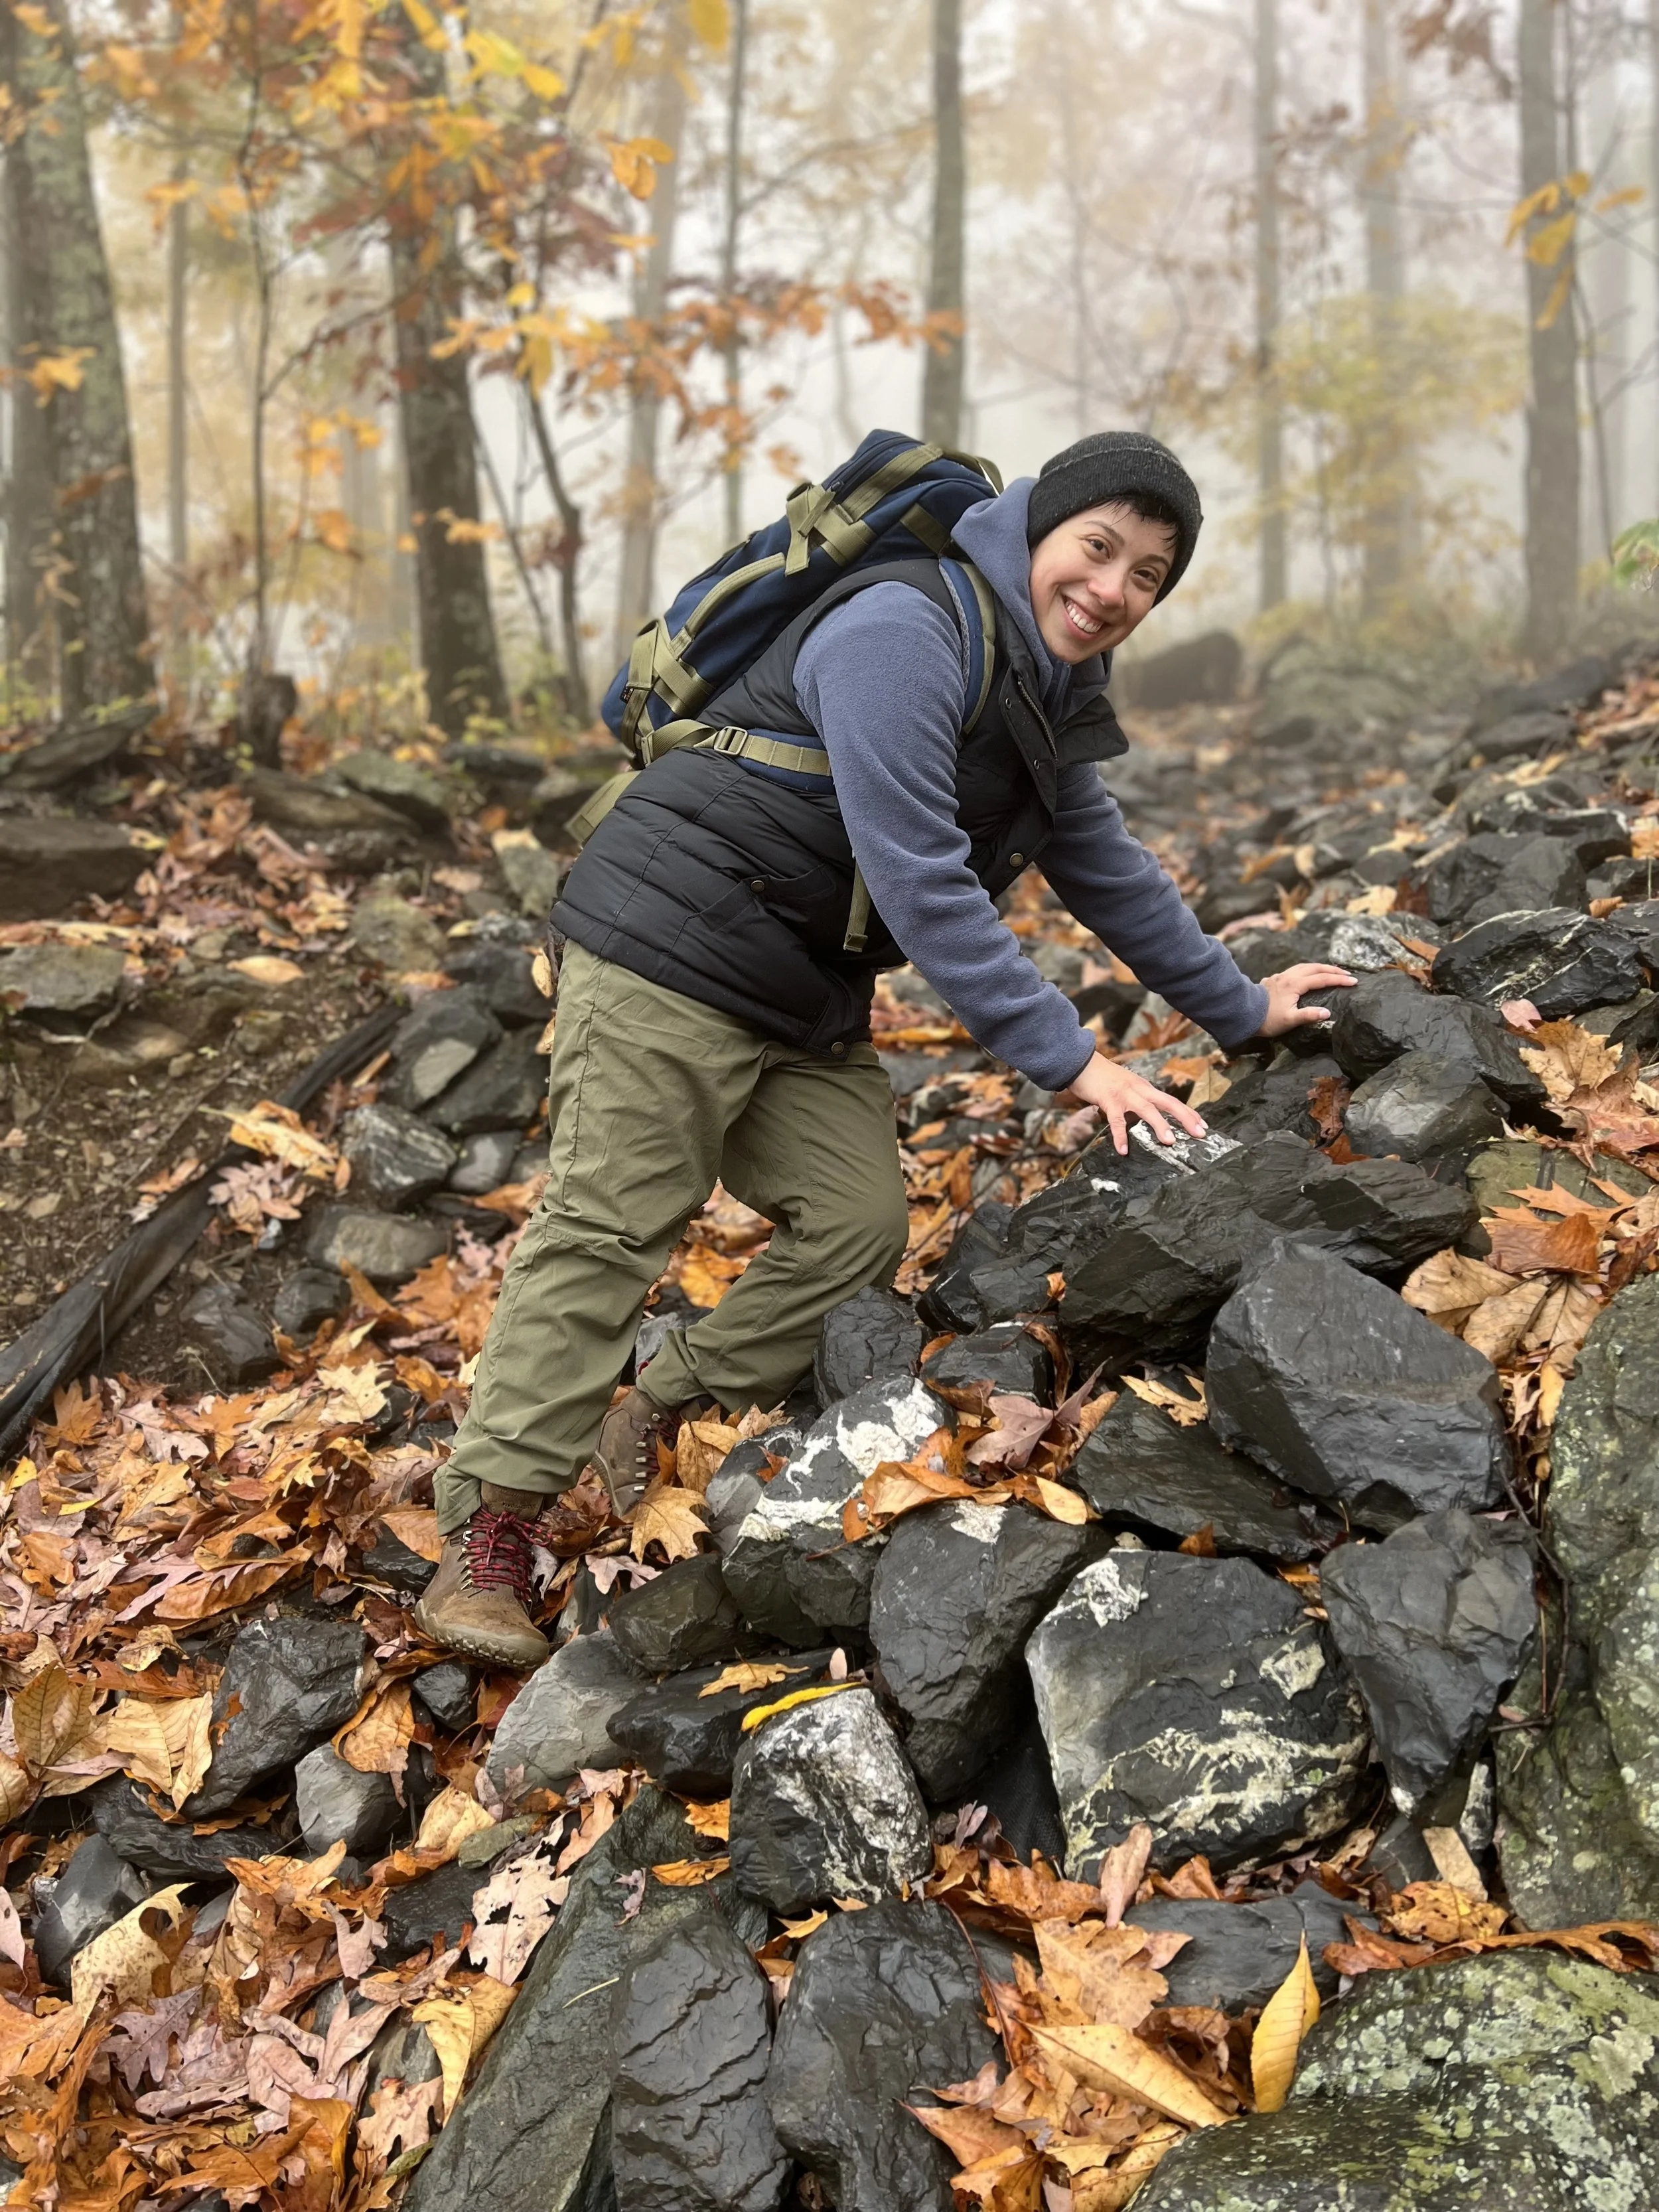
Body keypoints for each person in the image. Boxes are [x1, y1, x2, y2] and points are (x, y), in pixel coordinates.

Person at [413, 430, 1352, 1667]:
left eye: (1149, 574)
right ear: (1036, 530)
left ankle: (652, 1402)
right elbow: (926, 883)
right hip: (663, 942)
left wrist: (1241, 1008)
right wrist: (1076, 1062)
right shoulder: (903, 631)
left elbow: (1106, 868)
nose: (1113, 589)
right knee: (610, 1221)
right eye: (1098, 547)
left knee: (855, 1226)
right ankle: (488, 1532)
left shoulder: (1045, 685)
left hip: (796, 988)